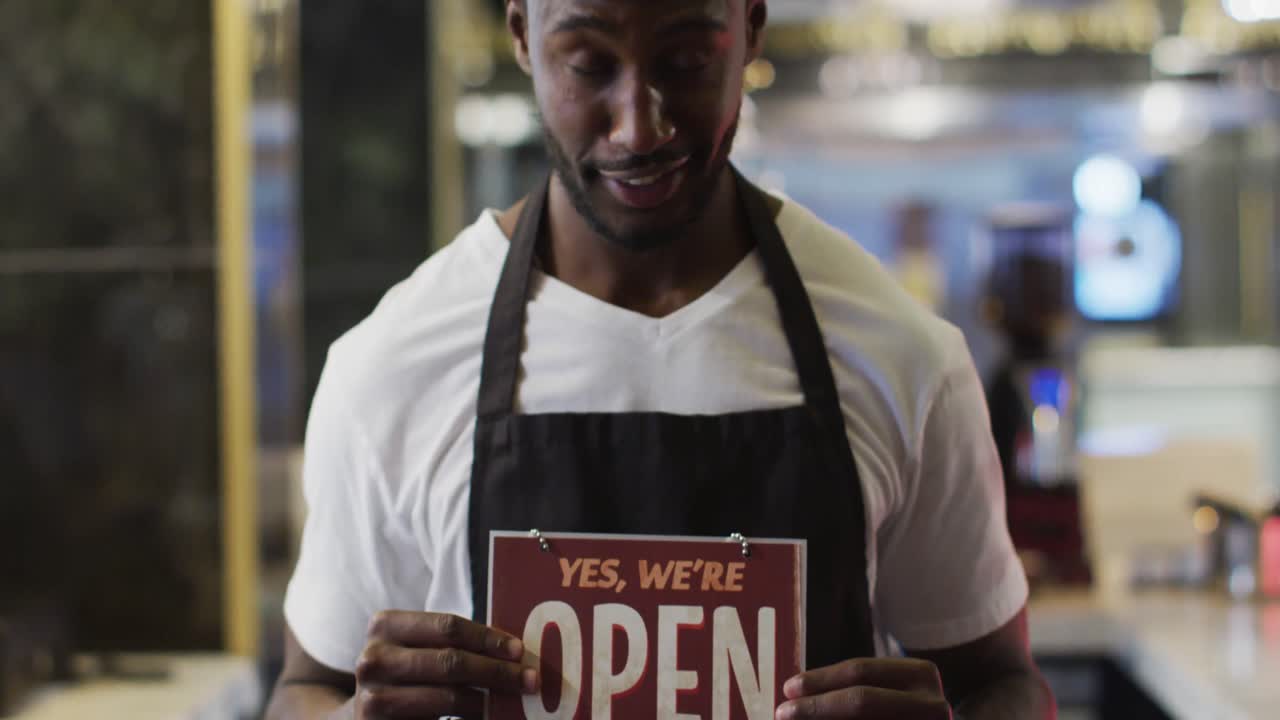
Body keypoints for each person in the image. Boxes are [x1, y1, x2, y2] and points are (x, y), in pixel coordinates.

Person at [266, 1, 1055, 718]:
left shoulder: (900, 355)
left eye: (686, 62)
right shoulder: (393, 365)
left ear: (751, 27)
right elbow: (309, 686)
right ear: (521, 36)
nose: (638, 130)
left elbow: (1002, 682)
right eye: (588, 64)